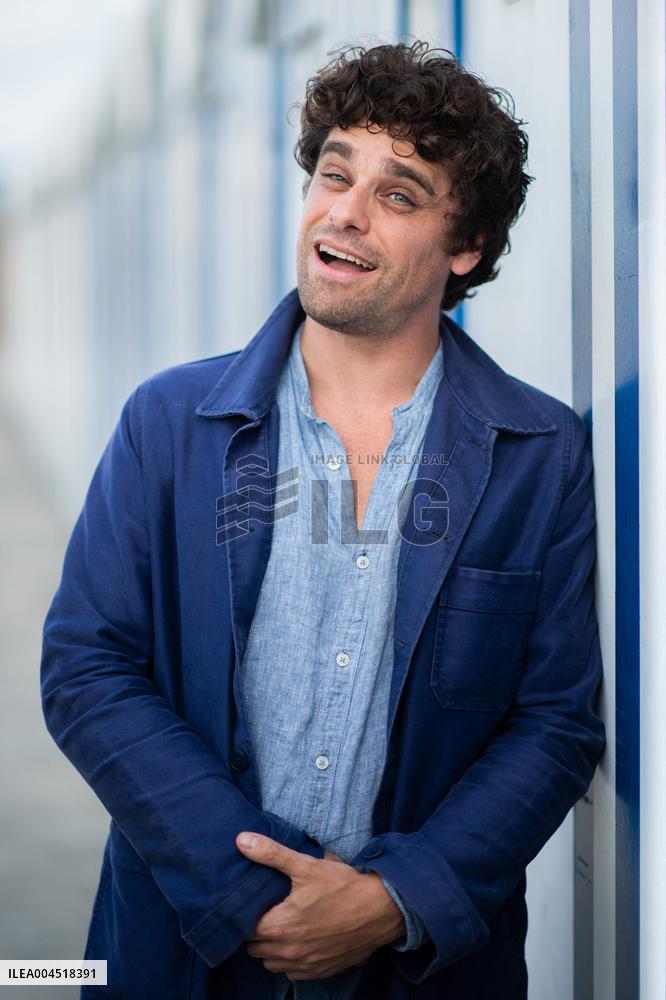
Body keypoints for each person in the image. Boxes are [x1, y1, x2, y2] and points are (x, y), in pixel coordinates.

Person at [41, 40, 605, 1000]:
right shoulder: (171, 424)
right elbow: (89, 669)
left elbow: (551, 724)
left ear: (463, 249)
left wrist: (391, 900)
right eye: (334, 174)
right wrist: (245, 893)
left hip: (421, 973)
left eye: (398, 193)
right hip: (183, 951)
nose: (342, 211)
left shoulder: (536, 451)